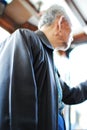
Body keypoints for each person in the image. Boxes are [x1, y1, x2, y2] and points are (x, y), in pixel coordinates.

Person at [0, 4, 87, 130]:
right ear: (61, 23)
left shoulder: (52, 66)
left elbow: (71, 94)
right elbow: (16, 106)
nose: (72, 37)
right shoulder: (26, 38)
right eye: (72, 30)